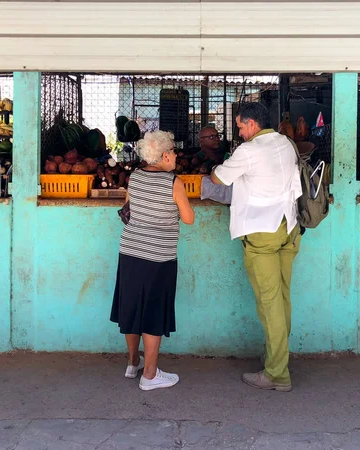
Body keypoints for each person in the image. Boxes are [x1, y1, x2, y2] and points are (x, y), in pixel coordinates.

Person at [211, 102, 302, 392]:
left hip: (263, 233)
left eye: (239, 126)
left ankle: (277, 373)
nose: (239, 132)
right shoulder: (286, 144)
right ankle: (277, 357)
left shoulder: (249, 151)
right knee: (283, 297)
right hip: (289, 228)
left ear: (251, 125)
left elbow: (219, 177)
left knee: (269, 302)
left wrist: (215, 166)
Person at [111, 130, 195, 391]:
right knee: (153, 312)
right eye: (173, 150)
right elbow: (189, 218)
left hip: (130, 252)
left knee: (133, 307)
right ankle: (149, 375)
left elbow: (128, 208)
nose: (176, 155)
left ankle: (132, 362)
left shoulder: (134, 177)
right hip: (159, 257)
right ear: (165, 154)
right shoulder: (174, 183)